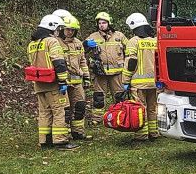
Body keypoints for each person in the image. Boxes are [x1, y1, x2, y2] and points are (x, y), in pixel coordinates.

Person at [27, 15, 77, 150]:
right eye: (57, 28)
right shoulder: (52, 42)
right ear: (52, 27)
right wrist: (62, 81)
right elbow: (58, 62)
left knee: (45, 112)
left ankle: (45, 140)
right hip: (53, 84)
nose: (58, 32)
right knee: (61, 110)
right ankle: (61, 141)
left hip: (39, 84)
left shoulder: (32, 44)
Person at [85, 12, 128, 124]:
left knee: (119, 96)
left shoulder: (119, 36)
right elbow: (81, 51)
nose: (101, 25)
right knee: (98, 97)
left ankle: (120, 117)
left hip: (117, 73)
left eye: (104, 23)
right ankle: (97, 119)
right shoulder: (93, 37)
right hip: (100, 72)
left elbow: (129, 50)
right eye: (99, 23)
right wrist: (86, 44)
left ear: (109, 23)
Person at [122, 13, 159, 141]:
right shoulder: (154, 41)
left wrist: (125, 81)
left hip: (139, 83)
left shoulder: (133, 41)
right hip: (154, 82)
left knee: (140, 109)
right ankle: (154, 132)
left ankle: (141, 135)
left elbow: (131, 62)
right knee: (152, 108)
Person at [59, 15, 93, 141]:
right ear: (62, 29)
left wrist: (87, 77)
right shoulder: (56, 43)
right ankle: (63, 134)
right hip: (63, 82)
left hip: (77, 82)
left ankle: (78, 132)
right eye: (67, 29)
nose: (70, 32)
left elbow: (83, 61)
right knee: (65, 110)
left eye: (72, 30)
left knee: (80, 106)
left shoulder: (78, 43)